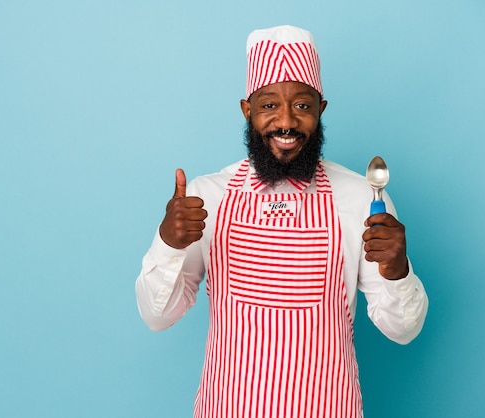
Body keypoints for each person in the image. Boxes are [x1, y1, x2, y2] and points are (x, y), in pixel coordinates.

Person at [135, 25, 428, 418]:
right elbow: (157, 317)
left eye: (302, 106)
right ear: (247, 110)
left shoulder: (363, 199)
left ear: (321, 109)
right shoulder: (207, 198)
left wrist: (397, 270)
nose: (286, 121)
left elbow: (404, 330)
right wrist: (168, 243)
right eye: (269, 105)